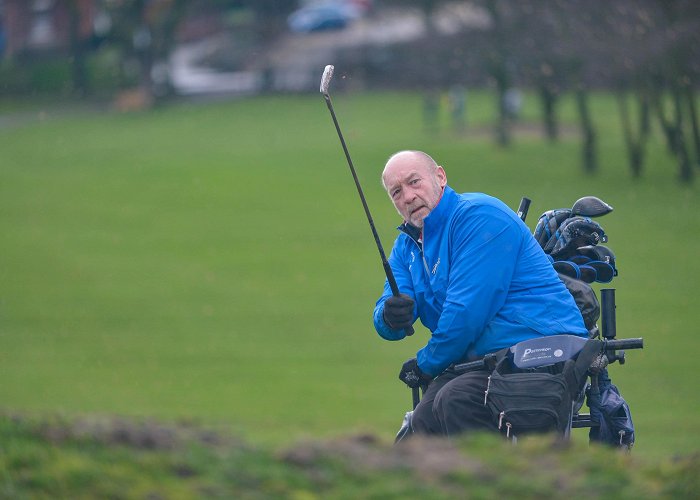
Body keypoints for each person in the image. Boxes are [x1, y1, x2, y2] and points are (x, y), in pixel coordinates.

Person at [373, 150, 588, 437]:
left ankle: (492, 480)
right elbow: (391, 301)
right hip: (483, 361)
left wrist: (425, 363)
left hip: (540, 350)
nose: (408, 196)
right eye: (396, 192)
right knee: (424, 420)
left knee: (457, 401)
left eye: (414, 182)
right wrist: (389, 317)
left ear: (440, 177)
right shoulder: (406, 247)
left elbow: (465, 314)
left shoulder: (480, 217)